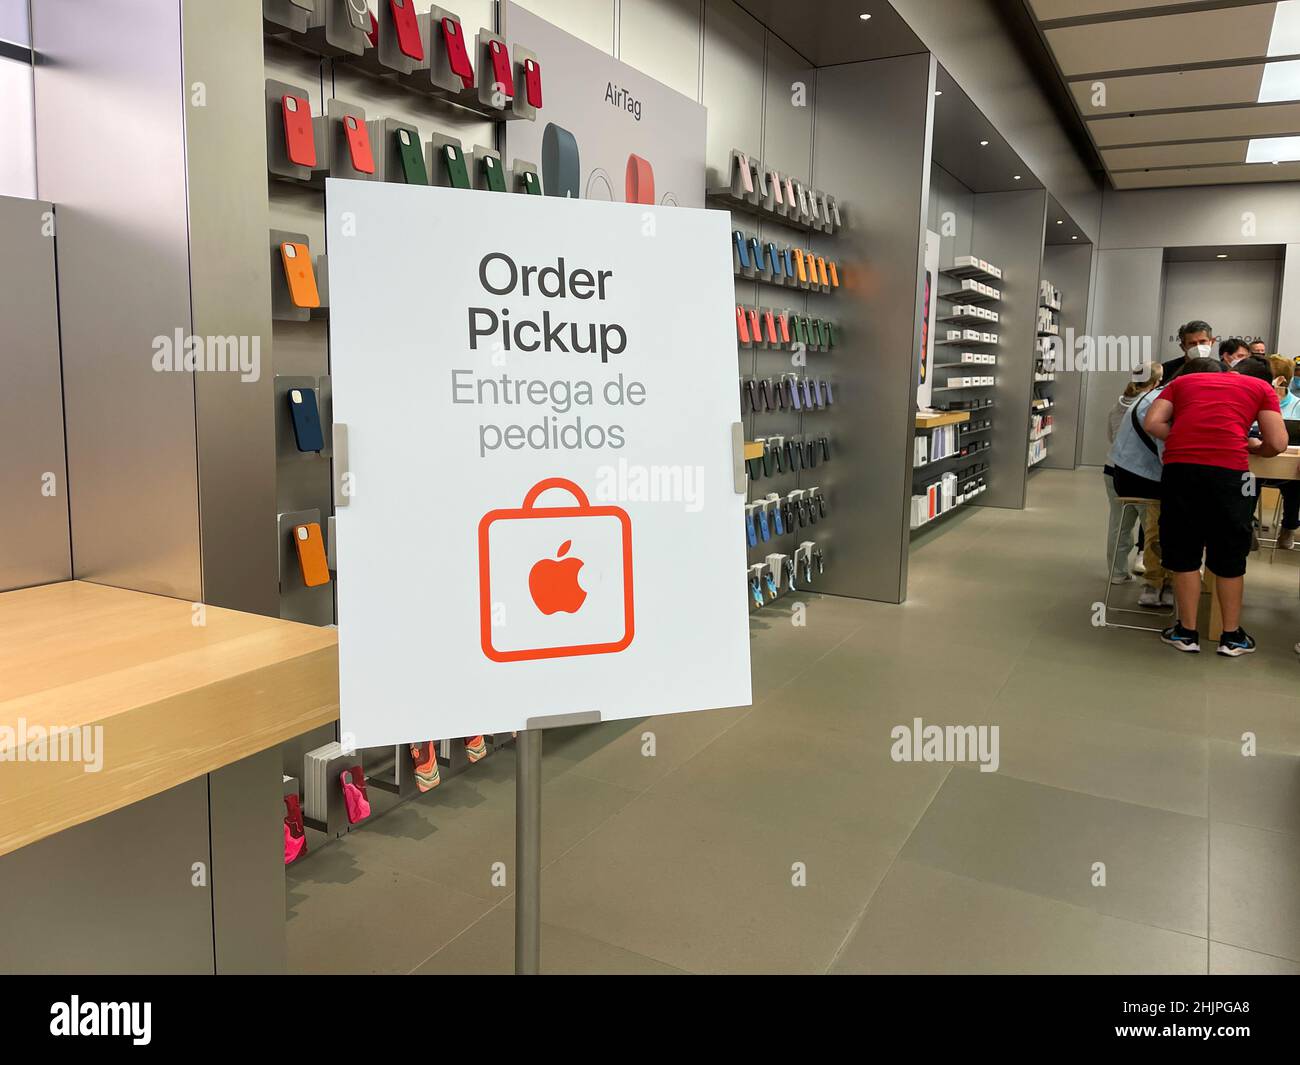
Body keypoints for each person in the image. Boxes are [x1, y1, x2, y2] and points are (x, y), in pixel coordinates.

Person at [1144, 357, 1287, 656]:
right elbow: (1278, 441)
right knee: (1229, 553)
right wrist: (1255, 446)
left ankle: (1186, 633)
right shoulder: (1261, 387)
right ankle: (1231, 637)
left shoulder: (1182, 382)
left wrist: (1187, 438)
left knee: (1184, 550)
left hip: (1180, 471)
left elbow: (1153, 422)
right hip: (1230, 475)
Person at [1104, 363, 1168, 602]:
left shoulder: (1118, 405)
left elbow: (1110, 437)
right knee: (1152, 528)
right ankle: (1153, 583)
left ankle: (1117, 573)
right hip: (1142, 474)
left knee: (1118, 523)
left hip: (1113, 470)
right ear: (1156, 382)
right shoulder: (1154, 406)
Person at [1161, 320, 1214, 385]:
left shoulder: (1222, 369)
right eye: (1192, 343)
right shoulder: (1166, 370)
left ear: (1212, 342)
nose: (1198, 347)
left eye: (1202, 341)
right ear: (1183, 347)